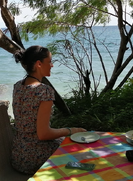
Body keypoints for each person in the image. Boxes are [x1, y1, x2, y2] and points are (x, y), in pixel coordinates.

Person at [11, 45, 86, 175]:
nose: (52, 65)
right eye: (50, 61)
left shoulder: (18, 86)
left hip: (18, 156)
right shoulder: (44, 91)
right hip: (37, 158)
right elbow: (43, 134)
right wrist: (70, 130)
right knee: (82, 151)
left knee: (67, 142)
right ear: (39, 64)